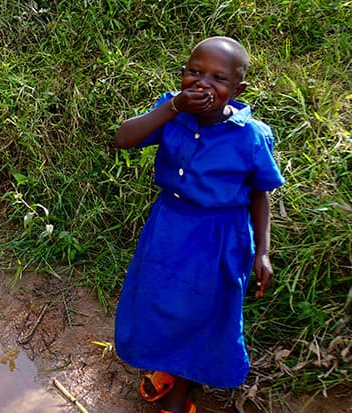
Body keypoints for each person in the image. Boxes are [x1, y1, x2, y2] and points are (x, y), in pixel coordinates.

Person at [112, 36, 285, 413]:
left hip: (219, 237)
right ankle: (168, 367)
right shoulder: (170, 113)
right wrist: (173, 106)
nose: (203, 83)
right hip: (169, 226)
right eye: (194, 72)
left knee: (204, 312)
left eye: (218, 79)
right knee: (162, 301)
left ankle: (182, 392)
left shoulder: (251, 137)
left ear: (237, 89)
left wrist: (263, 251)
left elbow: (260, 195)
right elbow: (123, 138)